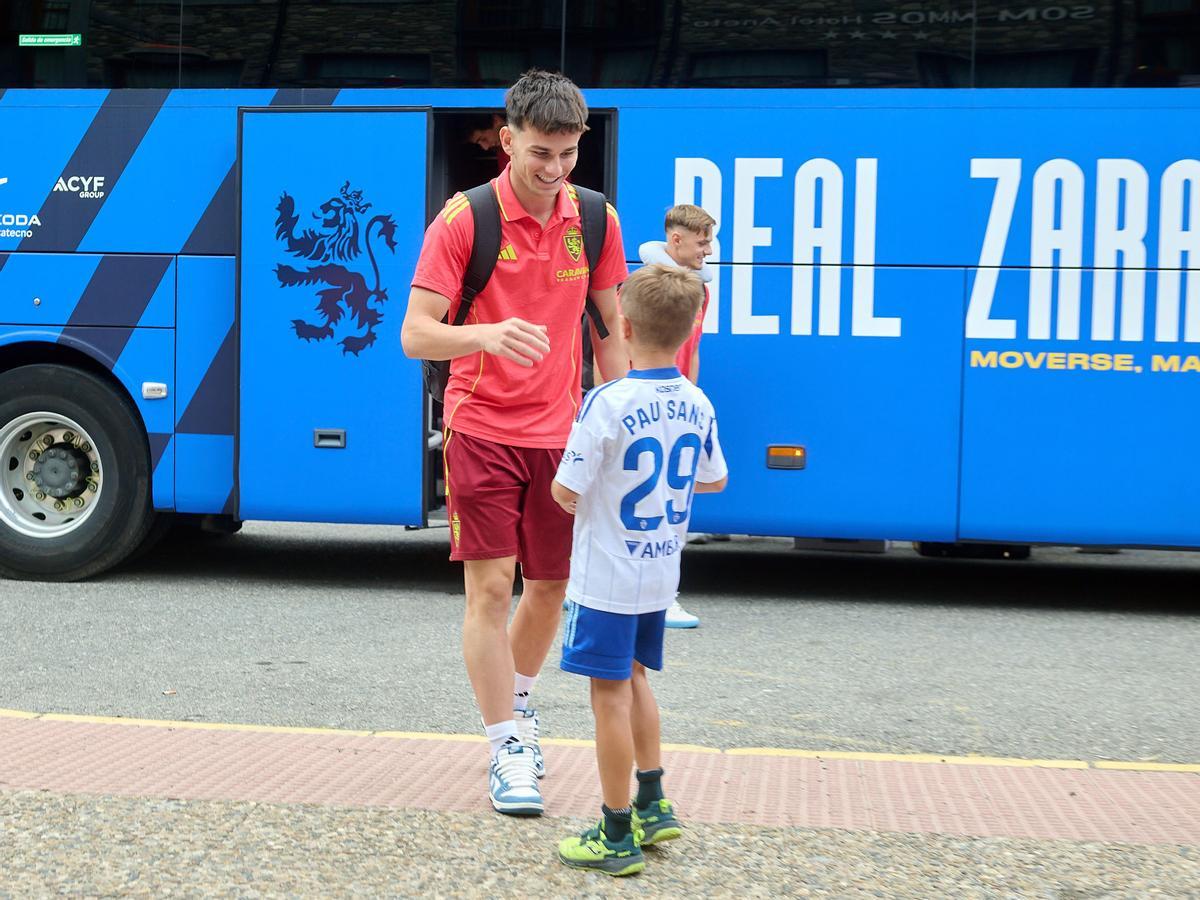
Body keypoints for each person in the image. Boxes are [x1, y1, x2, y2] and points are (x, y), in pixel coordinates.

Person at [401, 70, 628, 816]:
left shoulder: (595, 220)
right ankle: (508, 746)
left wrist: (621, 425)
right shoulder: (464, 221)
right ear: (507, 140)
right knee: (492, 590)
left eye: (567, 153)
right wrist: (486, 334)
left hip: (561, 436)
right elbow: (414, 335)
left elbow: (612, 335)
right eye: (539, 152)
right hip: (481, 428)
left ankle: (518, 703)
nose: (554, 169)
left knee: (551, 590)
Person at [551, 264, 729, 876]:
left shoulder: (607, 400)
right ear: (688, 331)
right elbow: (715, 478)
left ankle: (615, 829)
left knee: (608, 697)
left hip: (606, 576)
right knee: (636, 679)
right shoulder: (697, 400)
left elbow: (565, 490)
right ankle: (655, 802)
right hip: (660, 572)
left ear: (623, 325)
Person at [637, 204, 720, 629]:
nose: (709, 249)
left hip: (676, 404)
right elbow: (620, 343)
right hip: (649, 407)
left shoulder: (698, 289)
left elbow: (695, 349)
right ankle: (661, 598)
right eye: (703, 241)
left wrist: (691, 398)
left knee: (669, 504)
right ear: (676, 240)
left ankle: (660, 594)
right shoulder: (645, 285)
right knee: (663, 505)